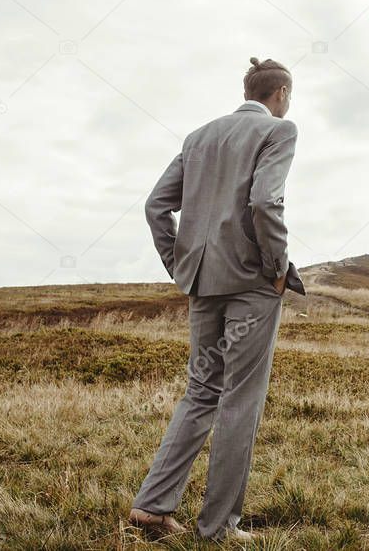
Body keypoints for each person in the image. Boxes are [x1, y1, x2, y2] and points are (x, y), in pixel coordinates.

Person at [129, 57, 306, 542]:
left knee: (201, 390)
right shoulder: (279, 130)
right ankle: (218, 528)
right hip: (252, 284)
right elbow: (266, 202)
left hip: (203, 283)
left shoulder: (198, 136)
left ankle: (151, 507)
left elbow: (155, 206)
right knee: (239, 400)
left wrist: (182, 265)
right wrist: (275, 269)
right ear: (282, 93)